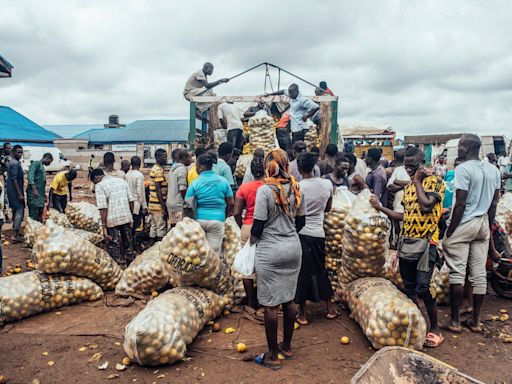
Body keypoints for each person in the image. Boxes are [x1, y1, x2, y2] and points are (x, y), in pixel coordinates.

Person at [370, 146, 445, 348]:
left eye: (414, 166)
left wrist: (418, 181)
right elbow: (405, 216)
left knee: (424, 287)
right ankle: (418, 323)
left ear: (422, 164)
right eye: (407, 167)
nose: (410, 170)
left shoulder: (434, 182)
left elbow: (427, 205)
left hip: (426, 244)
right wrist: (381, 208)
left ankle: (436, 328)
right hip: (407, 243)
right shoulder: (410, 188)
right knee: (409, 286)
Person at [250, 149, 305, 369]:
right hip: (293, 248)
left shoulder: (265, 191)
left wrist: (249, 245)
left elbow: (258, 226)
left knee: (270, 305)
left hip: (270, 251)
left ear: (267, 166)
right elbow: (301, 224)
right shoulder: (296, 187)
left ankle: (272, 356)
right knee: (289, 301)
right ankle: (287, 346)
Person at [442, 134, 501, 335]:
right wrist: (489, 226)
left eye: (459, 147)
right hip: (483, 222)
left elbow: (460, 203)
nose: (458, 150)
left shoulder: (462, 169)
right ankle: (475, 321)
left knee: (457, 273)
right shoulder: (494, 170)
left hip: (465, 222)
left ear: (466, 148)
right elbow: (494, 203)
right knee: (479, 274)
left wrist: (450, 232)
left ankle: (455, 321)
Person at [295, 152, 338, 325]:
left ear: (298, 168)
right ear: (314, 167)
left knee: (303, 273)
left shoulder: (297, 187)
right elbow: (328, 208)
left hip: (302, 234)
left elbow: (295, 212)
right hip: (319, 233)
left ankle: (303, 314)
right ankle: (330, 308)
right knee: (321, 269)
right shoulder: (327, 184)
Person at [185, 153, 234, 255]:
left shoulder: (195, 183)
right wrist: (224, 216)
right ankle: (214, 270)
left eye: (197, 166)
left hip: (199, 221)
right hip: (217, 220)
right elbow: (231, 203)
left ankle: (200, 271)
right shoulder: (223, 181)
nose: (196, 168)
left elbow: (188, 205)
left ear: (202, 167)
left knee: (199, 253)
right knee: (214, 253)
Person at [234, 157, 265, 315]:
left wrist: (242, 225)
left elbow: (237, 212)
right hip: (266, 228)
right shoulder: (270, 187)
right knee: (265, 264)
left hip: (248, 227)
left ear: (251, 172)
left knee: (248, 266)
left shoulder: (244, 188)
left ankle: (251, 302)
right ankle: (264, 300)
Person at [90, 169, 135, 266]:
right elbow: (131, 201)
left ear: (97, 178)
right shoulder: (122, 181)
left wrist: (104, 227)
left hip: (111, 219)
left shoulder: (100, 186)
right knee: (128, 242)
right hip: (125, 217)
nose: (95, 184)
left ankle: (116, 268)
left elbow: (103, 208)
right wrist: (130, 214)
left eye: (94, 182)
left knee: (114, 244)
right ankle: (131, 267)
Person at [386, 149, 409, 245]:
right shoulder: (398, 170)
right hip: (398, 205)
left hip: (411, 207)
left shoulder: (418, 170)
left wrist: (398, 182)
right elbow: (390, 186)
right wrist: (408, 184)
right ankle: (397, 244)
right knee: (397, 228)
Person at [125, 156, 148, 250]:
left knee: (130, 227)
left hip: (128, 204)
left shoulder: (127, 174)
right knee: (136, 226)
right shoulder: (139, 175)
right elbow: (140, 192)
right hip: (136, 205)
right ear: (140, 164)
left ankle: (130, 245)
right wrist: (144, 206)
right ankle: (134, 245)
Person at [167, 149, 192, 227]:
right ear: (184, 158)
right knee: (180, 228)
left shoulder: (172, 169)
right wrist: (187, 201)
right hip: (178, 204)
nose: (191, 159)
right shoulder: (182, 169)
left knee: (174, 227)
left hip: (170, 202)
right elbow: (182, 188)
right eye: (189, 157)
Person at [149, 149, 169, 243]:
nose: (166, 159)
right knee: (161, 228)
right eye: (164, 157)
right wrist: (163, 207)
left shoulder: (156, 168)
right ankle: (158, 250)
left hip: (152, 204)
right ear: (157, 158)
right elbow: (158, 190)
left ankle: (151, 248)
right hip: (158, 205)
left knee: (154, 227)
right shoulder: (158, 170)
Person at [27, 153, 53, 222]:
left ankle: (39, 230)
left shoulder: (42, 166)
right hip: (34, 195)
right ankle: (32, 230)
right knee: (33, 215)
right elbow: (30, 177)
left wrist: (44, 195)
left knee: (40, 214)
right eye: (50, 161)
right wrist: (34, 189)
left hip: (40, 196)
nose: (49, 163)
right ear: (47, 158)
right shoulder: (35, 164)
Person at [6, 145, 24, 242]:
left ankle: (15, 232)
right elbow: (14, 179)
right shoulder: (15, 164)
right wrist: (19, 193)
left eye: (21, 152)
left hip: (11, 191)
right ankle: (14, 235)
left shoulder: (11, 162)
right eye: (18, 152)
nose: (20, 154)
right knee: (19, 211)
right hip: (15, 192)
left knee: (15, 211)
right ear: (13, 152)